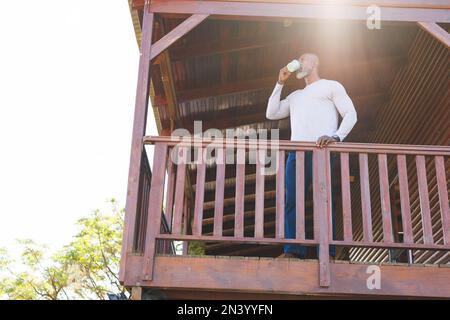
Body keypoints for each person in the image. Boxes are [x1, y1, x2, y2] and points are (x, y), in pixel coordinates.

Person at [266, 53, 357, 259]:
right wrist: (279, 83)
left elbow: (351, 114)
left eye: (302, 58)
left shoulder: (331, 86)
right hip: (296, 153)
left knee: (323, 200)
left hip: (321, 151)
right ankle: (294, 250)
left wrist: (336, 137)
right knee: (292, 200)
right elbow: (271, 113)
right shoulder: (296, 96)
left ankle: (327, 252)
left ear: (314, 63)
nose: (298, 62)